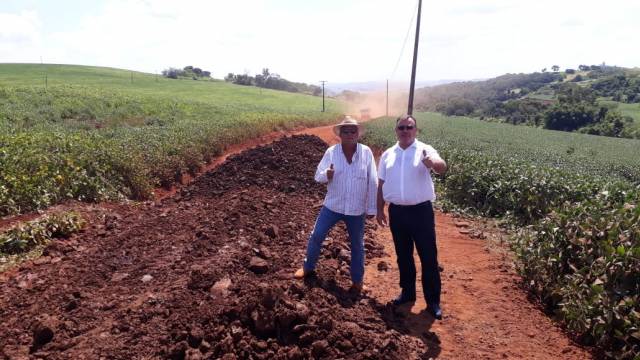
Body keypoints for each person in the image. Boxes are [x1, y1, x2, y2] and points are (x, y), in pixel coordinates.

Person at [294, 115, 377, 292]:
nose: (349, 134)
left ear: (357, 133)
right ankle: (308, 268)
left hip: (356, 210)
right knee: (316, 235)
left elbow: (373, 181)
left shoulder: (366, 153)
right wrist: (327, 175)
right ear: (340, 133)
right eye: (345, 131)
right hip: (332, 206)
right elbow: (318, 176)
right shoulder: (331, 152)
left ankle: (357, 281)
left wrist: (371, 207)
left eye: (352, 130)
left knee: (357, 245)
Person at [376, 114, 447, 319]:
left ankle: (433, 301)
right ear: (396, 131)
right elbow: (381, 184)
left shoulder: (425, 150)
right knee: (403, 255)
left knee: (428, 257)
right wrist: (380, 209)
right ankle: (407, 293)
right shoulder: (388, 154)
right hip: (397, 212)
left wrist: (433, 162)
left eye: (409, 127)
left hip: (421, 212)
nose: (405, 131)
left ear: (416, 130)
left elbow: (442, 167)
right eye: (401, 127)